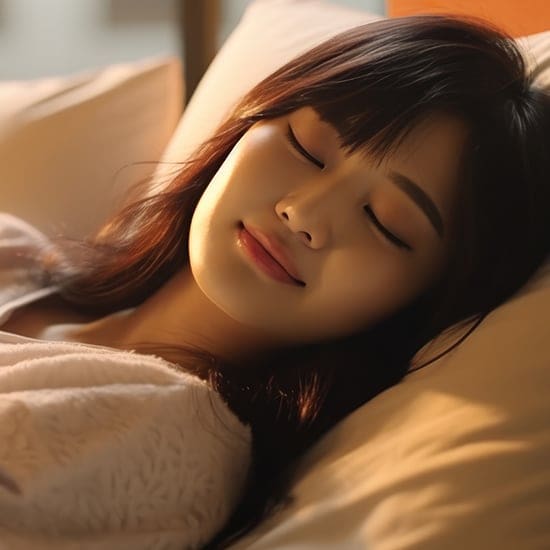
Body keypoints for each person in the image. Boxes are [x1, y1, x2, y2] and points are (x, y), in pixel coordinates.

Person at [1, 14, 549, 549]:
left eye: (386, 222)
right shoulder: (16, 254)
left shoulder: (164, 439)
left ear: (423, 298)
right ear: (248, 122)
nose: (304, 213)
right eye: (306, 148)